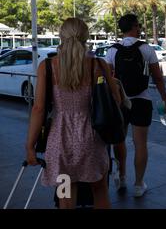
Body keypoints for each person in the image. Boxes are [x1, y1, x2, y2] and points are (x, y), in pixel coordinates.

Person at [25, 18, 121, 209]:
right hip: (92, 137)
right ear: (86, 37)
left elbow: (39, 108)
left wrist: (30, 145)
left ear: (61, 37)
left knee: (65, 194)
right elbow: (115, 101)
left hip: (60, 140)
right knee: (99, 189)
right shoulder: (98, 65)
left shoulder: (48, 66)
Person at [105, 13, 166, 197]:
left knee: (119, 140)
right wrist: (164, 99)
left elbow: (110, 79)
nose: (140, 28)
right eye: (138, 25)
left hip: (120, 101)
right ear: (133, 27)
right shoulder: (146, 49)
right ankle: (139, 184)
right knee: (140, 144)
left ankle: (122, 177)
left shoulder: (112, 50)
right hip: (142, 100)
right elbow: (157, 77)